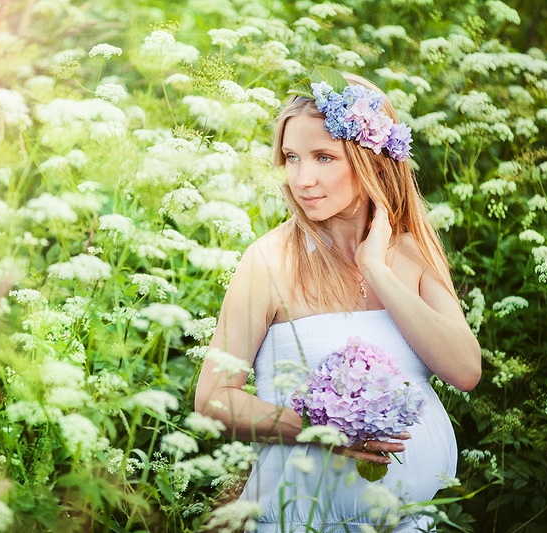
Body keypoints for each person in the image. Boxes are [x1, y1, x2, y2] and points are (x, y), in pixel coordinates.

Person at [194, 72, 481, 532]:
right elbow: (212, 400)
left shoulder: (414, 253)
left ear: (374, 162)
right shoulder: (268, 261)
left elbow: (465, 370)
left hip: (408, 523)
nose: (301, 179)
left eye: (323, 157)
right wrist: (321, 430)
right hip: (298, 522)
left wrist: (377, 269)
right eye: (291, 157)